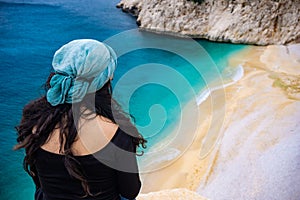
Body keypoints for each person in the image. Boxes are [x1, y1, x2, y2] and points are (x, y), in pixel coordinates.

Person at [14, 39, 146, 200]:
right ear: (107, 79)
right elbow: (130, 191)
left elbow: (39, 182)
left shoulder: (35, 123)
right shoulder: (115, 133)